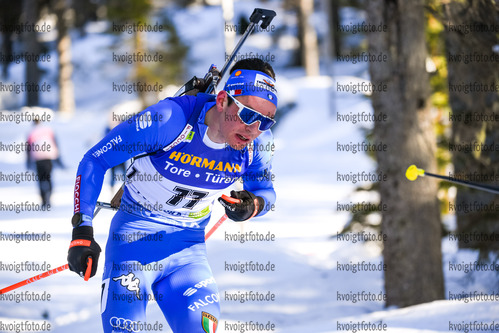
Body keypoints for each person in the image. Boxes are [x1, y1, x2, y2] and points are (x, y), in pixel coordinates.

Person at [67, 58, 277, 333]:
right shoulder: (169, 120)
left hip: (188, 254)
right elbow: (95, 160)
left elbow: (265, 192)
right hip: (133, 244)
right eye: (249, 115)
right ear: (222, 100)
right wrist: (82, 230)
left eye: (266, 121)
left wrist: (253, 206)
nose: (254, 129)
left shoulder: (258, 145)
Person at [26, 118, 62, 208]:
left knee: (41, 179)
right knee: (49, 178)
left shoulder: (31, 132)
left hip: (37, 158)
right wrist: (58, 157)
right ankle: (49, 197)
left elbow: (28, 148)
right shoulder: (48, 130)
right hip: (48, 156)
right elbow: (55, 142)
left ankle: (43, 200)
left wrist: (28, 161)